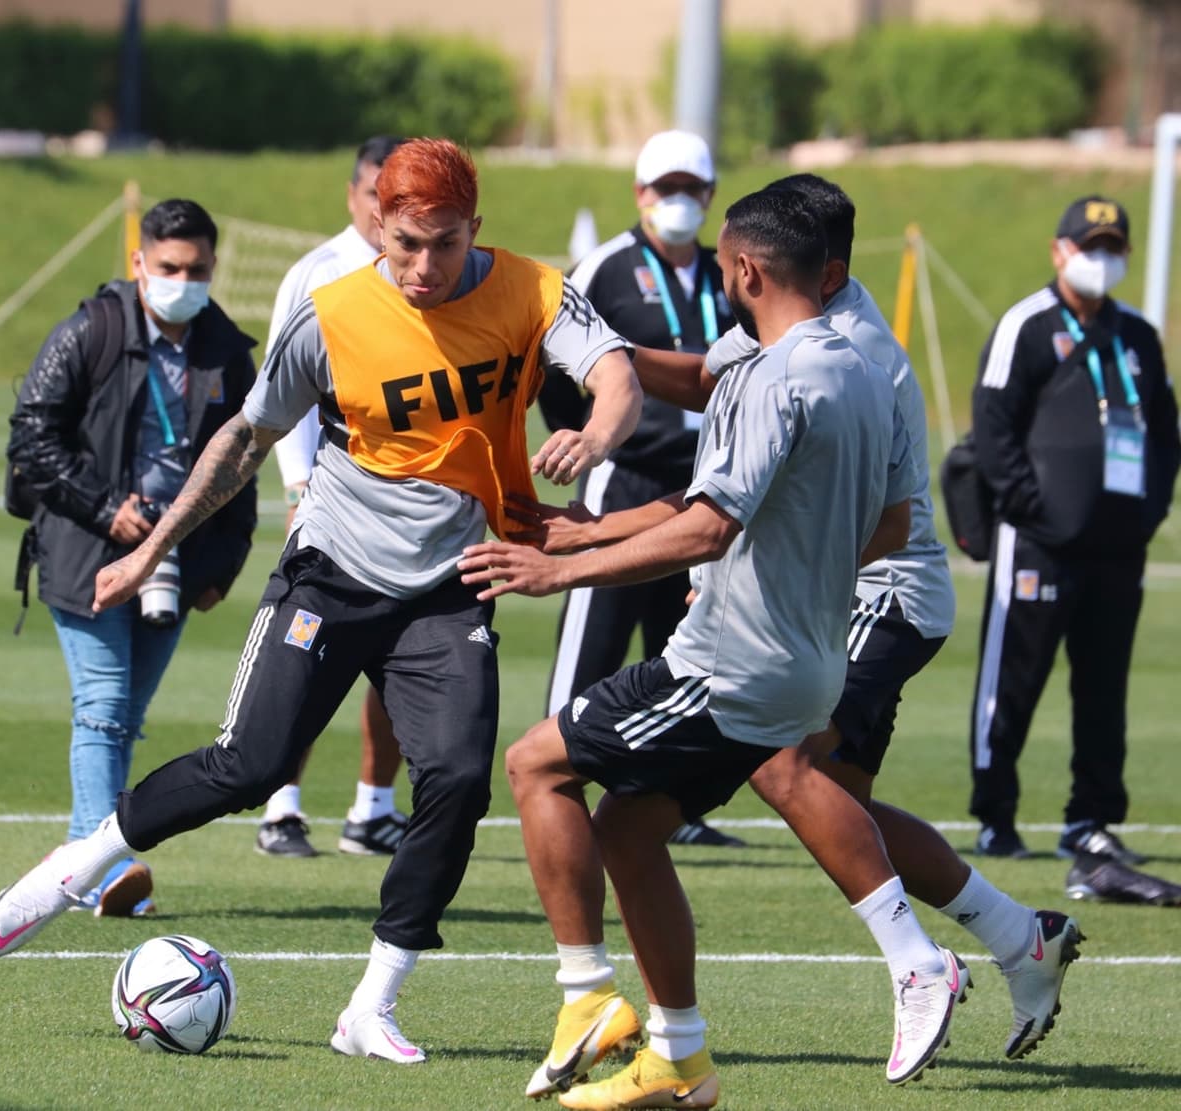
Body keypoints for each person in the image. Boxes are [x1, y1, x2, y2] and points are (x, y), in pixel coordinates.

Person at [0, 138, 644, 1066]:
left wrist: (594, 433)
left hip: (449, 583)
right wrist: (149, 554)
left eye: (445, 245)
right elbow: (245, 439)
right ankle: (78, 864)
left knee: (455, 778)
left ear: (475, 231)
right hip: (330, 570)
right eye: (406, 243)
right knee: (249, 765)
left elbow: (618, 377)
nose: (422, 266)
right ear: (378, 224)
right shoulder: (330, 313)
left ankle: (372, 1004)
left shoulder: (532, 291)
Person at [461, 187, 966, 1106]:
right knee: (626, 825)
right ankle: (680, 1060)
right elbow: (890, 518)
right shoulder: (865, 362)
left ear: (744, 271)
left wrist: (558, 571)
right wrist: (597, 534)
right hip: (807, 662)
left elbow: (707, 530)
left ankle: (586, 1001)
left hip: (729, 663)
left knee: (535, 763)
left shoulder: (777, 379)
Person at [634, 172, 1084, 1063]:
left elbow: (870, 529)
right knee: (839, 802)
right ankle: (1021, 937)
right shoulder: (807, 311)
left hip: (879, 590)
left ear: (818, 267)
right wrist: (589, 354)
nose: (733, 275)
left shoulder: (848, 351)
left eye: (744, 260)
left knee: (776, 759)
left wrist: (749, 582)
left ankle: (918, 964)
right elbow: (698, 375)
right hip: (857, 589)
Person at [4, 198, 258, 919]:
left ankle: (92, 855)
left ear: (213, 267)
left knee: (126, 714)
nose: (184, 279)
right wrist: (102, 505)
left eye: (198, 268)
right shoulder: (92, 329)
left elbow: (245, 460)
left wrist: (224, 561)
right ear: (139, 262)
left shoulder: (225, 349)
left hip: (176, 558)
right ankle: (98, 864)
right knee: (105, 707)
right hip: (85, 544)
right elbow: (31, 435)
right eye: (169, 266)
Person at [539, 128, 742, 849]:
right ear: (639, 193)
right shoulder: (607, 266)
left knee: (682, 645)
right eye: (666, 189)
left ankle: (668, 805)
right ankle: (553, 790)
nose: (678, 202)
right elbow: (555, 367)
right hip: (622, 478)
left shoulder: (731, 270)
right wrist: (589, 441)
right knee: (591, 641)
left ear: (710, 195)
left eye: (691, 189)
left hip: (706, 486)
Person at [969, 196, 1179, 862]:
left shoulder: (1138, 335)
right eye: (1090, 246)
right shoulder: (1026, 326)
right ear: (1059, 251)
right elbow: (992, 429)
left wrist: (1150, 509)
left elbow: (1165, 434)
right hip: (1039, 542)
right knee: (1013, 681)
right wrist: (1033, 508)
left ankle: (1090, 818)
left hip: (1117, 549)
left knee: (1104, 689)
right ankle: (995, 814)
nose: (1101, 259)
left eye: (1113, 247)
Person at [256, 135, 411, 859]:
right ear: (354, 195)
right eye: (379, 191)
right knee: (308, 648)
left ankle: (373, 809)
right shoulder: (320, 271)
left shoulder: (429, 273)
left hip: (413, 510)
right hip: (332, 503)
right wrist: (297, 484)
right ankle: (280, 805)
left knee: (400, 659)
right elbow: (282, 391)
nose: (390, 207)